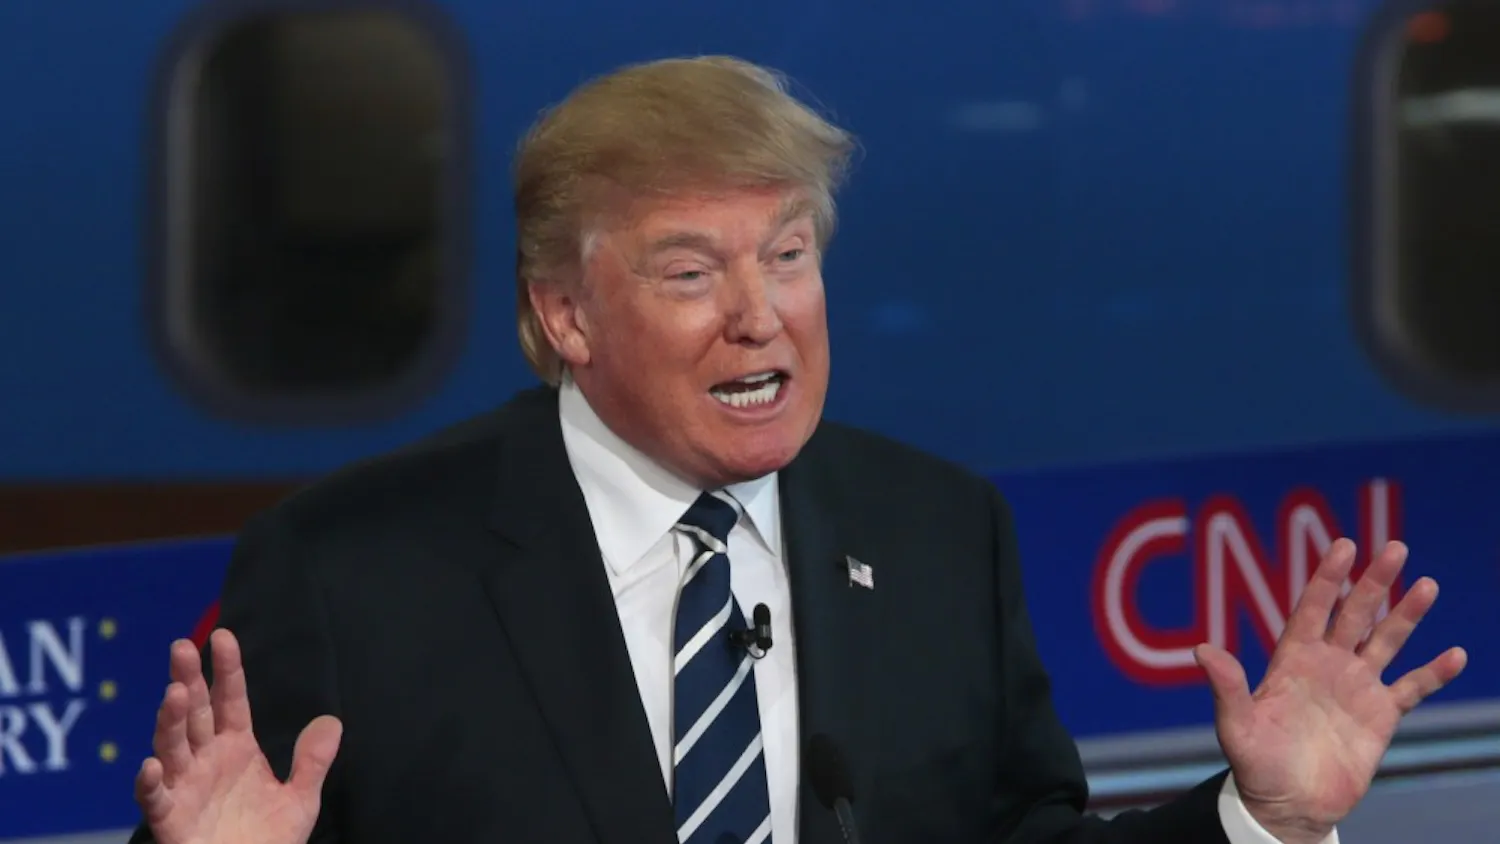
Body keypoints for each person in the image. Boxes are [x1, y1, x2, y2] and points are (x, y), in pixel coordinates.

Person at [127, 55, 1466, 844]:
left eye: (786, 255)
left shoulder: (939, 534)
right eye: (690, 273)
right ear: (567, 316)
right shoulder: (353, 571)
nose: (760, 314)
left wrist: (1262, 818)